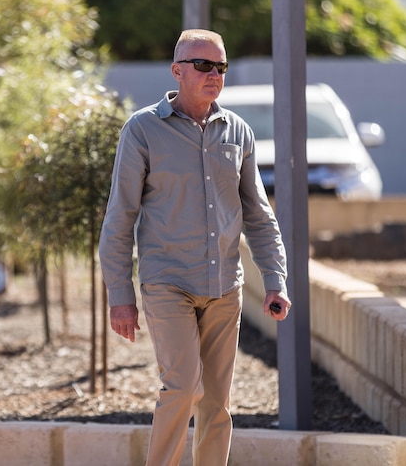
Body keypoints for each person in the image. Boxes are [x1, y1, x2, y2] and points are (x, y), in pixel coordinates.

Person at [98, 29, 292, 466]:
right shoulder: (143, 130)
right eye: (202, 65)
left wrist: (276, 280)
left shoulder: (238, 132)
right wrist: (120, 296)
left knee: (217, 403)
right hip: (168, 281)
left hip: (225, 284)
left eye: (220, 66)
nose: (213, 74)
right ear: (177, 71)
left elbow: (259, 215)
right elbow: (120, 216)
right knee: (183, 386)